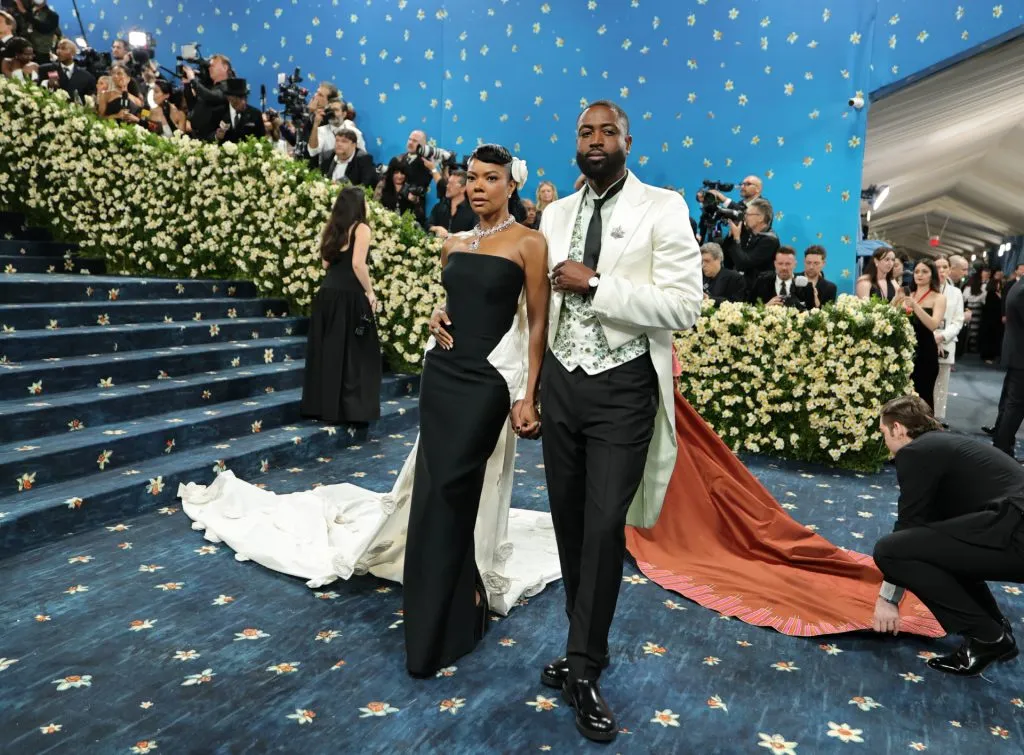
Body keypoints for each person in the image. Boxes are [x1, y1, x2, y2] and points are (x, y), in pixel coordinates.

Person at [527, 100, 703, 743]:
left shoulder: (663, 207)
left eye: (607, 131)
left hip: (625, 387)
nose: (595, 139)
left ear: (629, 139)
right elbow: (535, 306)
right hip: (562, 386)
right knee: (570, 525)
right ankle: (582, 647)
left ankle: (585, 667)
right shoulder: (555, 213)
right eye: (584, 131)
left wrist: (598, 285)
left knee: (604, 527)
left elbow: (684, 306)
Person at [872, 395, 1024, 677]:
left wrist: (888, 599)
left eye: (884, 434)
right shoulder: (943, 446)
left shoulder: (916, 452)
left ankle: (988, 638)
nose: (886, 444)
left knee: (889, 551)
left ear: (898, 429)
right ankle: (994, 629)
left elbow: (908, 529)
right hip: (1011, 529)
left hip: (1015, 533)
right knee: (939, 545)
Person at [298, 187, 382, 425]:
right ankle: (350, 411)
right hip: (350, 297)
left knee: (327, 351)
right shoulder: (361, 228)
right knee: (356, 354)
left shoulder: (333, 228)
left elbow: (325, 263)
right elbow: (358, 264)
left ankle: (322, 407)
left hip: (327, 295)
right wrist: (370, 292)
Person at [893, 259, 946, 411]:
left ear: (932, 275)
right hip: (904, 352)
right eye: (916, 271)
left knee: (924, 396)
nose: (919, 275)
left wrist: (915, 306)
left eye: (924, 271)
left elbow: (933, 324)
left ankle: (927, 432)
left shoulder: (938, 298)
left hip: (925, 352)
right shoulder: (909, 294)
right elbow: (890, 317)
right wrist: (896, 299)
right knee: (902, 397)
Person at [991, 275, 1024, 457]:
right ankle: (1003, 449)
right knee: (1015, 405)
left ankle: (1001, 444)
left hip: (1016, 354)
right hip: (1020, 356)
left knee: (1010, 403)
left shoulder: (1019, 284)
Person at [719, 197, 779, 295]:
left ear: (760, 218)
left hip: (759, 292)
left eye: (748, 214)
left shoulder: (770, 240)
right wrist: (731, 236)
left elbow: (743, 263)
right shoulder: (748, 233)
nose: (744, 217)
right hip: (740, 286)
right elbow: (727, 258)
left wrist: (737, 238)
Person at [933, 256, 964, 424]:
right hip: (926, 341)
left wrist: (942, 336)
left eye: (945, 267)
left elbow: (958, 320)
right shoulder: (924, 290)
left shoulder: (956, 293)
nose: (942, 270)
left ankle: (937, 418)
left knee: (942, 383)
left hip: (946, 342)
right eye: (938, 267)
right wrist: (932, 336)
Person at [181, 53, 231, 141]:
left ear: (225, 67)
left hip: (213, 139)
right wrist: (187, 84)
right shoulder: (209, 87)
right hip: (196, 137)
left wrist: (193, 80)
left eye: (213, 65)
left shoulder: (228, 87)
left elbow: (211, 96)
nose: (210, 67)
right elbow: (192, 104)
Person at [377, 158, 427, 229]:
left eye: (402, 173)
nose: (399, 176)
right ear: (391, 173)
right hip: (385, 227)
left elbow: (421, 218)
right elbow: (376, 207)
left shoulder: (413, 189)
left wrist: (416, 203)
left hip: (406, 229)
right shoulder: (383, 186)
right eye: (396, 172)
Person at [427, 169, 477, 238]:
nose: (447, 186)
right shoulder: (439, 207)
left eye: (452, 184)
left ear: (463, 188)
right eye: (448, 183)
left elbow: (477, 235)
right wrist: (436, 228)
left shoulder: (473, 212)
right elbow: (427, 225)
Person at [215, 78, 266, 143]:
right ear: (229, 98)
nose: (244, 102)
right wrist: (217, 137)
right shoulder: (219, 113)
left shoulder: (255, 114)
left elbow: (262, 139)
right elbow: (207, 135)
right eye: (240, 98)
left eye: (245, 97)